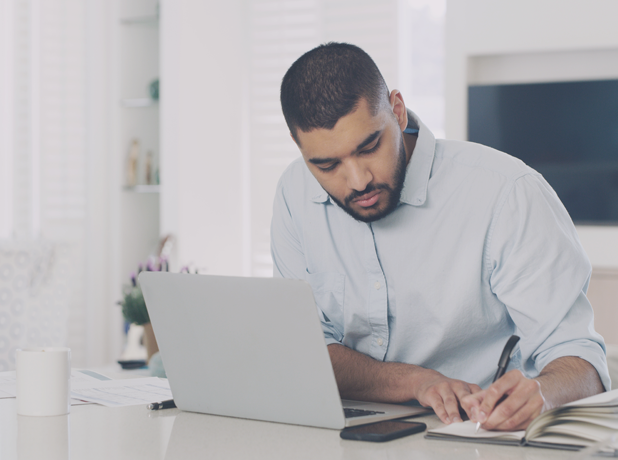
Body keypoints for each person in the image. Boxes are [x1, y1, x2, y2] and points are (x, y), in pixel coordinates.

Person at [271, 42, 609, 431]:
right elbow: (306, 350)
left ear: (396, 110)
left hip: (473, 437)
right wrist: (416, 381)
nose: (358, 180)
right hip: (340, 431)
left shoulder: (508, 193)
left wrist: (544, 393)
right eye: (327, 165)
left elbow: (581, 362)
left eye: (369, 147)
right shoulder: (295, 193)